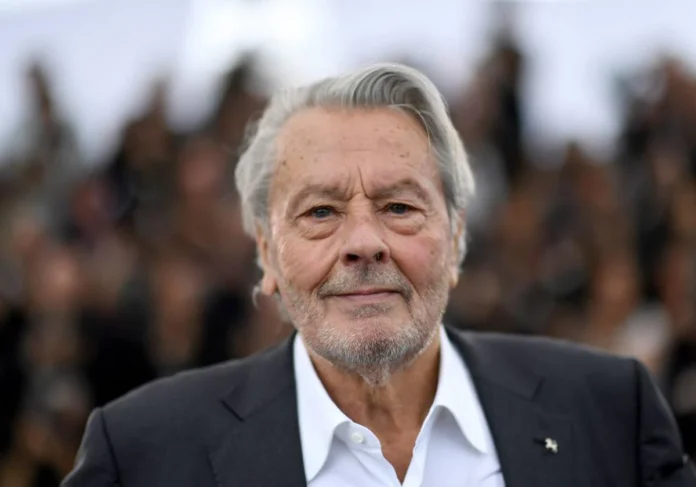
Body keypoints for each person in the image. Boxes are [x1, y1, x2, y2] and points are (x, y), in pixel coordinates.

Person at [62, 63, 696, 487]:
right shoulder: (143, 455)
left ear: (456, 236)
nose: (363, 243)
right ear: (267, 253)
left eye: (399, 206)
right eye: (320, 212)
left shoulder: (612, 413)